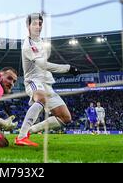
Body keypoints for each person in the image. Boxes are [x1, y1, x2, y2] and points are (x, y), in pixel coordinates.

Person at [15, 13, 80, 147]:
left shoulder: (41, 42)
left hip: (47, 84)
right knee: (41, 98)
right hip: (33, 81)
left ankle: (30, 130)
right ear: (27, 26)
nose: (38, 26)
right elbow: (42, 64)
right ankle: (21, 136)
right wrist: (67, 68)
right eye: (34, 24)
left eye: (40, 24)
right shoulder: (28, 44)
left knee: (65, 118)